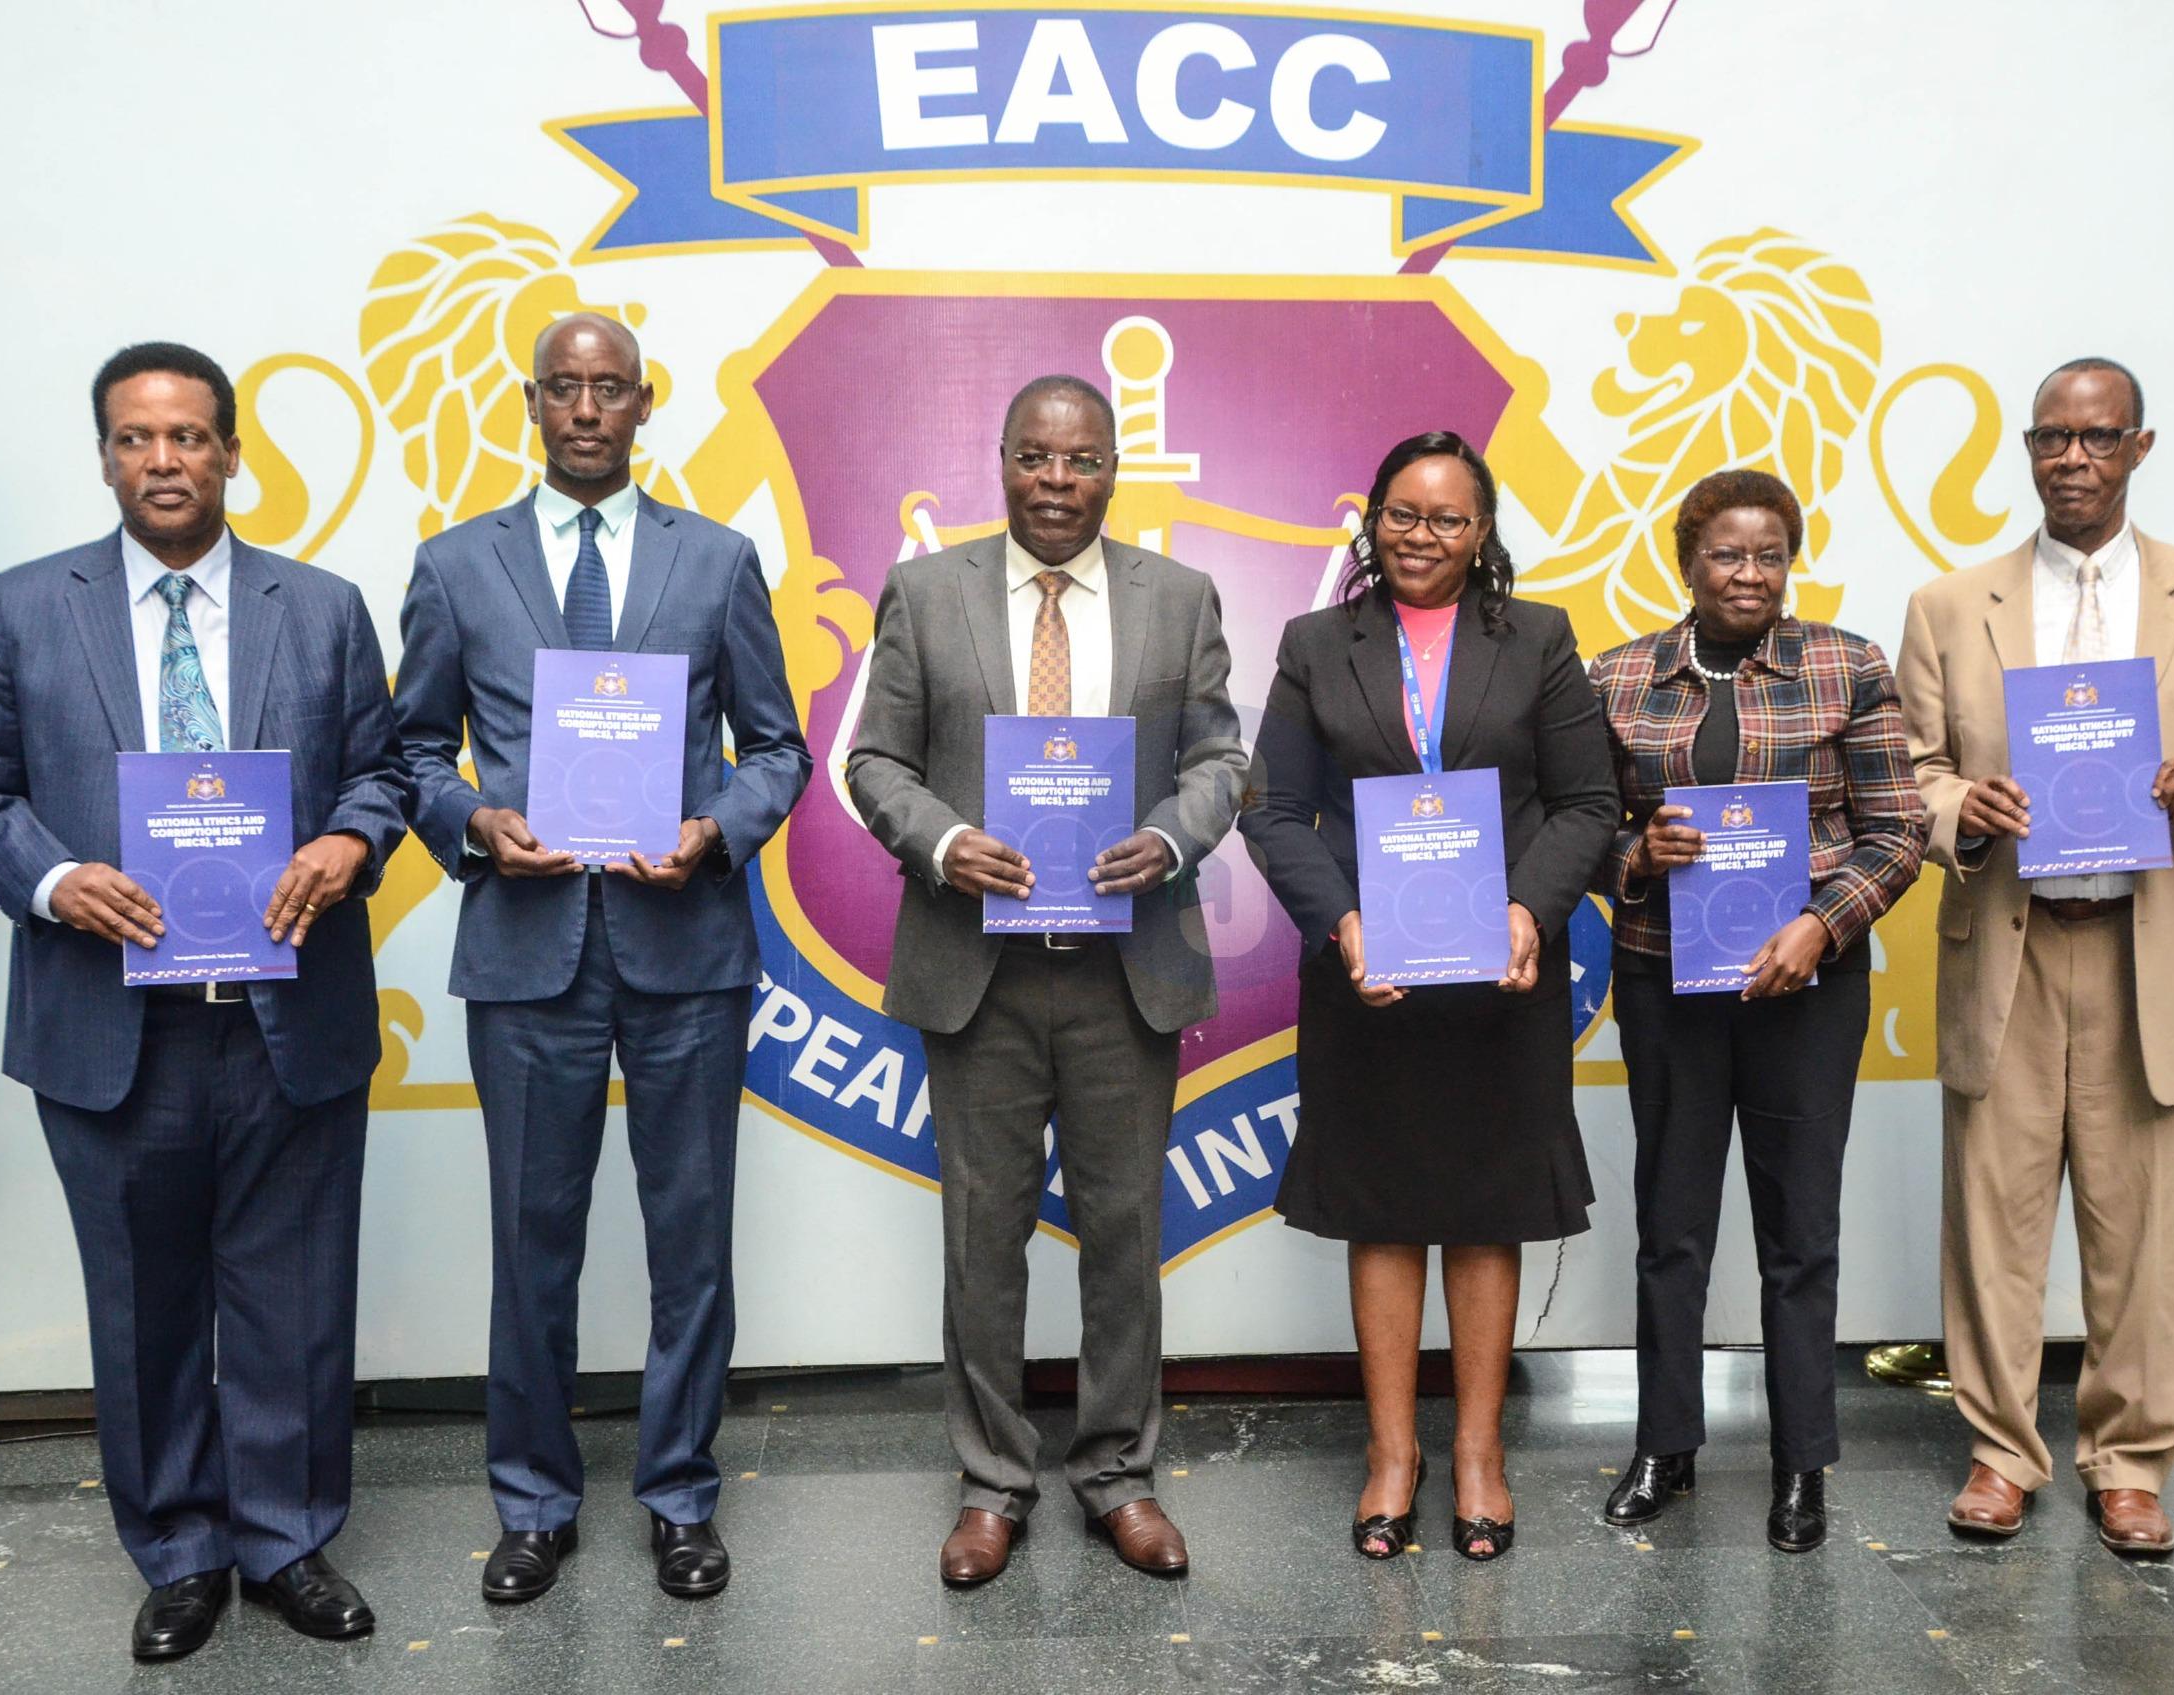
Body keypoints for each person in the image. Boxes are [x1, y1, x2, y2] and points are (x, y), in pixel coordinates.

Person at [0, 343, 408, 1659]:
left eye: (189, 436)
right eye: (137, 438)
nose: (164, 460)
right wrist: (55, 881)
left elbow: (381, 772)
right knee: (142, 1303)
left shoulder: (323, 607)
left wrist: (351, 841)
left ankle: (286, 1538)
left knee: (292, 1296)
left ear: (231, 453)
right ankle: (182, 1551)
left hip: (285, 1012)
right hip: (109, 1019)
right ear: (104, 457)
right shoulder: (25, 608)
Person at [391, 312, 810, 1601]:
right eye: (564, 388)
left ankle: (681, 1497)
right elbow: (413, 752)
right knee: (533, 1242)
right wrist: (474, 824)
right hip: (527, 953)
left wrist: (714, 831)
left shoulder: (717, 559)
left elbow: (777, 747)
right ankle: (532, 1506)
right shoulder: (456, 563)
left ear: (644, 404)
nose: (586, 408)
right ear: (530, 403)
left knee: (691, 1245)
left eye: (609, 388)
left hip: (686, 948)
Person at [1897, 358, 2174, 1555]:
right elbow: (1908, 772)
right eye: (2050, 438)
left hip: (2147, 944)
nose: (2071, 458)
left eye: (2097, 437)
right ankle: (1999, 1454)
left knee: (2144, 1232)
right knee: (1994, 1222)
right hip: (2008, 947)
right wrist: (1961, 811)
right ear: (2027, 450)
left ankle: (2130, 1464)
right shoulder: (1948, 606)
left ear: (2139, 448)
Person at [846, 374, 1244, 1585]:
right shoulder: (927, 592)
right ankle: (992, 1484)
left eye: (1080, 460)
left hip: (1128, 970)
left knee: (1124, 1234)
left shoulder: (1180, 596)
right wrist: (941, 843)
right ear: (1003, 462)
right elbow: (874, 760)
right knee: (984, 1238)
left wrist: (1172, 837)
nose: (1056, 481)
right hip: (981, 972)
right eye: (1034, 457)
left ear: (1113, 469)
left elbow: (1220, 758)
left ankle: (1118, 1472)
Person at [1241, 430, 1616, 1562]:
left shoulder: (1538, 637)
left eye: (1447, 518)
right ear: (1374, 519)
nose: (1421, 536)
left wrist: (1529, 911)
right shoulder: (1317, 644)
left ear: (1481, 532)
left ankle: (1480, 1457)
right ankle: (1392, 1455)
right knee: (1386, 1207)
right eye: (1403, 513)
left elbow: (1586, 804)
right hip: (1370, 976)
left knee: (1488, 1209)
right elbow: (1272, 810)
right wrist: (1342, 923)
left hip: (1503, 974)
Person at [1586, 467, 1925, 1553]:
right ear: (1686, 561)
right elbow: (1578, 826)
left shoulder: (1847, 664)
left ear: (1790, 563)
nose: (1749, 573)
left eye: (1769, 555)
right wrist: (1634, 854)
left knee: (1800, 1232)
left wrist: (1822, 924)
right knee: (1671, 1226)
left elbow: (1899, 829)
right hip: (1666, 985)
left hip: (1807, 990)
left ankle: (1800, 1464)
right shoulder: (1618, 676)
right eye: (1727, 554)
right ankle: (1665, 1446)